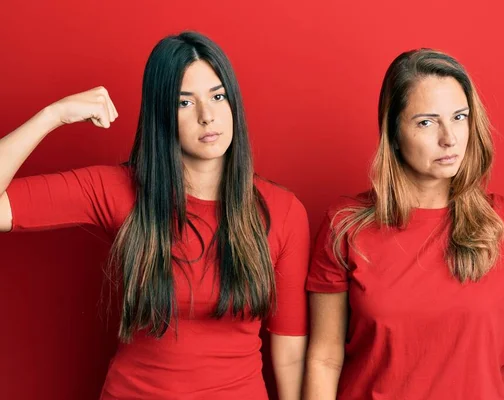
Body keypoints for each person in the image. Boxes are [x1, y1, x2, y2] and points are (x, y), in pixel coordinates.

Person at [0, 31, 309, 400]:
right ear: (161, 114)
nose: (207, 116)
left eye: (217, 95)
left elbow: (289, 353)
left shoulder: (281, 211)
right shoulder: (120, 190)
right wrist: (54, 115)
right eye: (184, 103)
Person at [303, 48, 504, 400]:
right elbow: (325, 359)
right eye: (426, 122)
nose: (450, 138)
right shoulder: (347, 224)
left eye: (459, 117)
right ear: (394, 133)